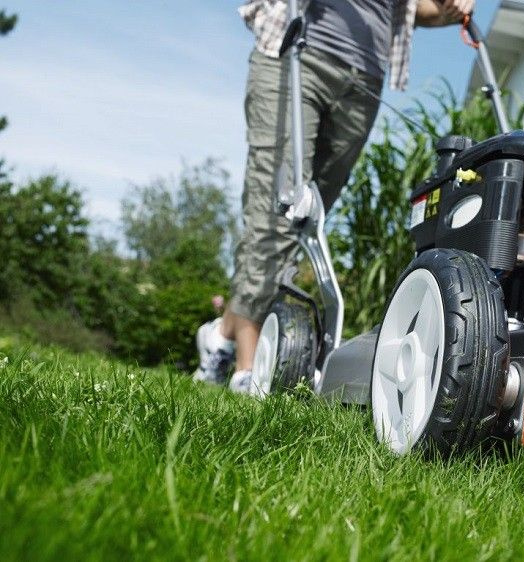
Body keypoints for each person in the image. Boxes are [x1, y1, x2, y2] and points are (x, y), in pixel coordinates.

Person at [193, 0, 476, 393]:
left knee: (308, 218)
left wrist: (452, 6)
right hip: (297, 53)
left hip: (364, 81)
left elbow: (412, 9)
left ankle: (221, 333)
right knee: (278, 208)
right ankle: (247, 367)